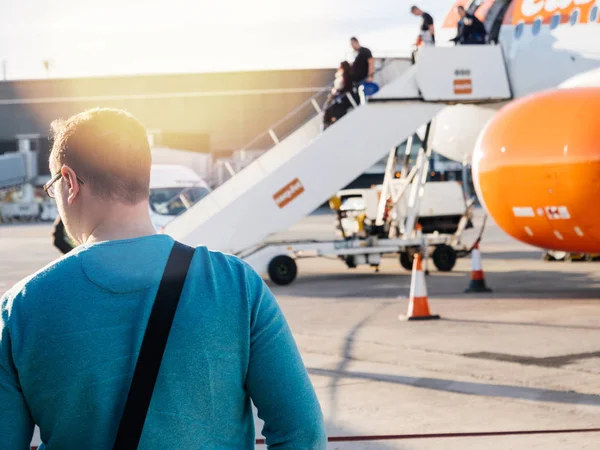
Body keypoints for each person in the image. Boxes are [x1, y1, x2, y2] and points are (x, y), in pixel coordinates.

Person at [0, 108, 327, 449]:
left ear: (68, 182)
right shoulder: (236, 285)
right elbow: (303, 432)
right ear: (144, 175)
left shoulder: (22, 307)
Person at [323, 61, 353, 129]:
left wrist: (338, 91)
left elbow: (346, 87)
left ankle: (329, 122)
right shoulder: (340, 76)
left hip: (342, 97)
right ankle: (327, 122)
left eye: (340, 66)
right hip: (336, 96)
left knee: (331, 107)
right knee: (327, 106)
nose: (338, 68)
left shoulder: (346, 75)